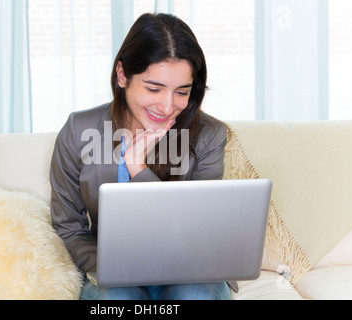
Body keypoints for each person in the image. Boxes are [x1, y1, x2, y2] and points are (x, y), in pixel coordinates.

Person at [50, 12, 236, 300]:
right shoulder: (79, 130)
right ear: (123, 75)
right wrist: (114, 269)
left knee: (194, 293)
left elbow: (189, 229)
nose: (167, 106)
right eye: (154, 88)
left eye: (181, 92)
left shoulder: (209, 135)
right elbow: (69, 226)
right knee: (118, 296)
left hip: (188, 269)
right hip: (113, 274)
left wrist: (137, 168)